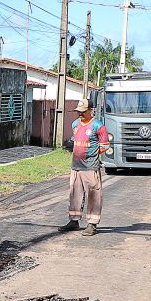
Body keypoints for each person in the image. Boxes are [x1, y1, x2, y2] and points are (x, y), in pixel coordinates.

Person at [59, 99, 110, 236]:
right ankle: (74, 221)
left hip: (90, 167)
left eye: (83, 111)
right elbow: (74, 141)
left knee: (94, 195)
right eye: (78, 111)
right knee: (75, 194)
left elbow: (105, 145)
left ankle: (92, 224)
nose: (80, 114)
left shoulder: (98, 126)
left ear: (91, 110)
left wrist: (92, 155)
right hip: (76, 166)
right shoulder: (75, 124)